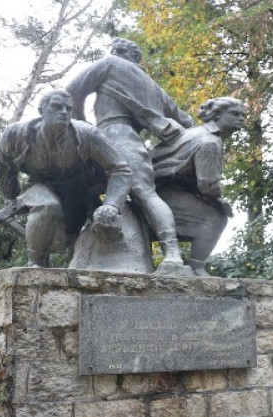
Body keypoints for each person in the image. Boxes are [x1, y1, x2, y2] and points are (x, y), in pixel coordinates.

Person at [66, 37, 194, 274]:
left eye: (118, 50)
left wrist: (80, 127)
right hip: (128, 139)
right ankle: (173, 255)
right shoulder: (152, 86)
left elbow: (71, 92)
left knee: (83, 189)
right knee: (145, 194)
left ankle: (73, 251)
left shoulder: (109, 64)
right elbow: (184, 119)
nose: (114, 52)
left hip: (103, 135)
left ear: (125, 55)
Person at [0, 89, 134, 268]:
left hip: (77, 189)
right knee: (48, 206)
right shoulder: (15, 135)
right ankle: (35, 264)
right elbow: (3, 166)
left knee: (72, 238)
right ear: (41, 110)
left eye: (68, 108)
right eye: (57, 106)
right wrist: (10, 196)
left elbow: (120, 169)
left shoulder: (88, 134)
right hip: (39, 184)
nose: (64, 112)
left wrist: (111, 204)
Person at [150, 97, 246, 275]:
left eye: (242, 115)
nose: (241, 118)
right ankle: (196, 268)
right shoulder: (210, 142)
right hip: (163, 193)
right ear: (217, 115)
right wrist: (219, 200)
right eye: (234, 114)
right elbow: (207, 184)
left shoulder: (196, 131)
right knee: (216, 218)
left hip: (157, 190)